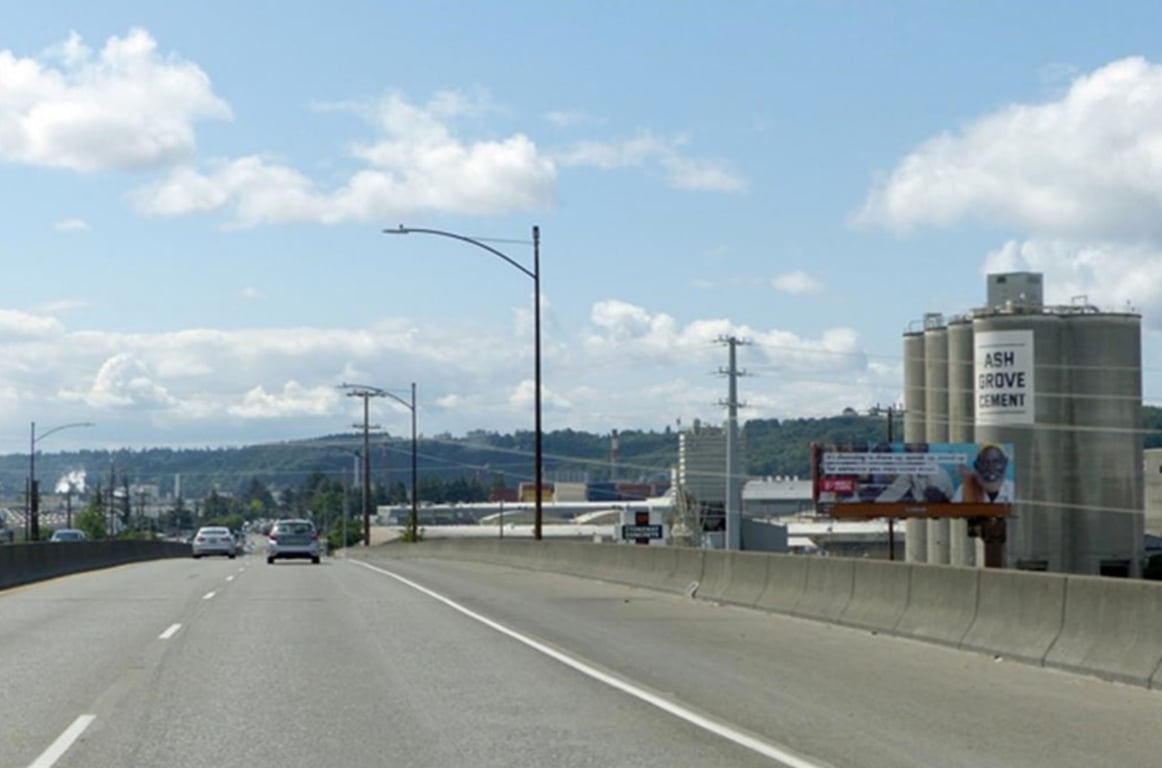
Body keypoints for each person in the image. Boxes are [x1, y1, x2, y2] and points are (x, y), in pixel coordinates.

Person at [875, 442, 955, 503]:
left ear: (923, 452)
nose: (907, 455)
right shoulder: (911, 471)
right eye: (906, 451)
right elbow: (893, 493)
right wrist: (874, 508)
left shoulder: (938, 473)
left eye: (910, 451)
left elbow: (936, 502)